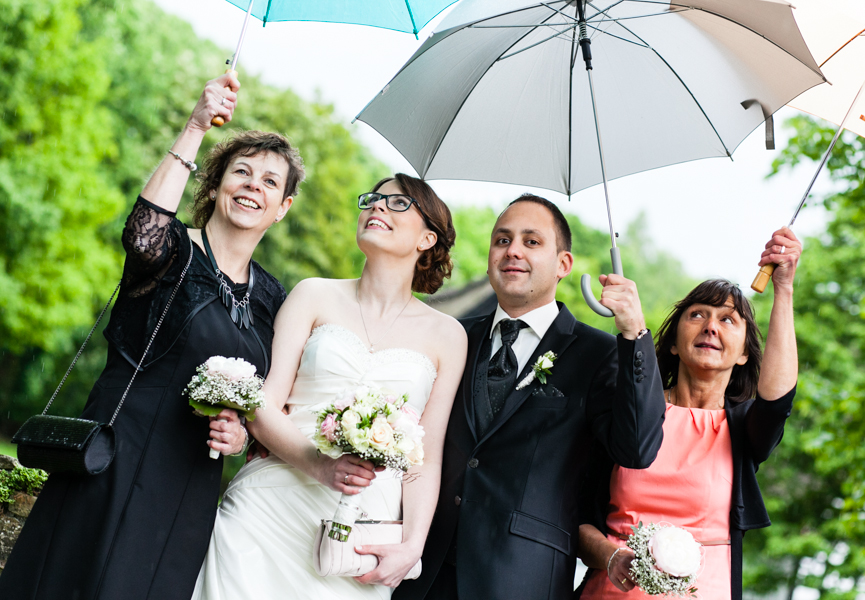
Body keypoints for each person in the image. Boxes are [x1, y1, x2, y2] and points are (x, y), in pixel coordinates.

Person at [0, 73, 303, 600]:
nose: (253, 185)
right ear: (214, 186)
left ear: (282, 209)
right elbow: (142, 229)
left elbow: (271, 398)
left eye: (270, 182)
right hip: (114, 455)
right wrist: (195, 125)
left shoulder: (274, 299)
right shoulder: (170, 252)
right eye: (242, 172)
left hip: (190, 483)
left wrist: (243, 435)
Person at [192, 173, 468, 599]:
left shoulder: (448, 335)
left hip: (358, 531)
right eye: (373, 199)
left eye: (397, 204)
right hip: (268, 505)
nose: (376, 207)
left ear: (427, 239)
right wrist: (322, 466)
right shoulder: (312, 295)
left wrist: (412, 547)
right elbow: (264, 406)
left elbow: (424, 460)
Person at [393, 195, 667, 600]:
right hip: (420, 571)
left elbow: (638, 448)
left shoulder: (599, 355)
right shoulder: (453, 335)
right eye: (501, 240)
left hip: (521, 578)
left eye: (531, 241)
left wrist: (634, 335)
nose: (513, 251)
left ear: (564, 265)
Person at [575, 228, 801, 600]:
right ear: (675, 344)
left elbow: (777, 400)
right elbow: (580, 517)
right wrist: (610, 554)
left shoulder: (743, 429)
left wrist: (785, 289)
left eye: (728, 320)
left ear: (744, 353)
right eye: (697, 315)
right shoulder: (629, 413)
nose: (711, 326)